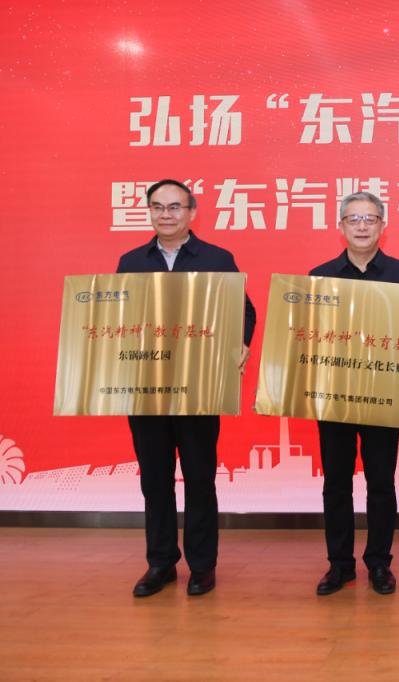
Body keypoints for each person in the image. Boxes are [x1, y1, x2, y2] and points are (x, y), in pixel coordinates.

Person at [310, 192, 399, 596]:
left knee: (381, 483)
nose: (361, 226)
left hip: (384, 397)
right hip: (335, 398)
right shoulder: (320, 277)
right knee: (335, 484)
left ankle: (379, 563)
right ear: (340, 226)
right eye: (353, 219)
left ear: (382, 225)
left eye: (369, 219)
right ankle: (339, 565)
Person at [117, 179, 257, 597]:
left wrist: (240, 343)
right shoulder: (131, 261)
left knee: (199, 479)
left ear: (191, 212)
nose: (166, 214)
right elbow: (118, 320)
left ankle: (202, 565)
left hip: (199, 389)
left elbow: (244, 310)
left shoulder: (216, 258)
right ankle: (160, 563)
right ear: (149, 212)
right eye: (158, 207)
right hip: (147, 390)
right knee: (154, 480)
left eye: (175, 207)